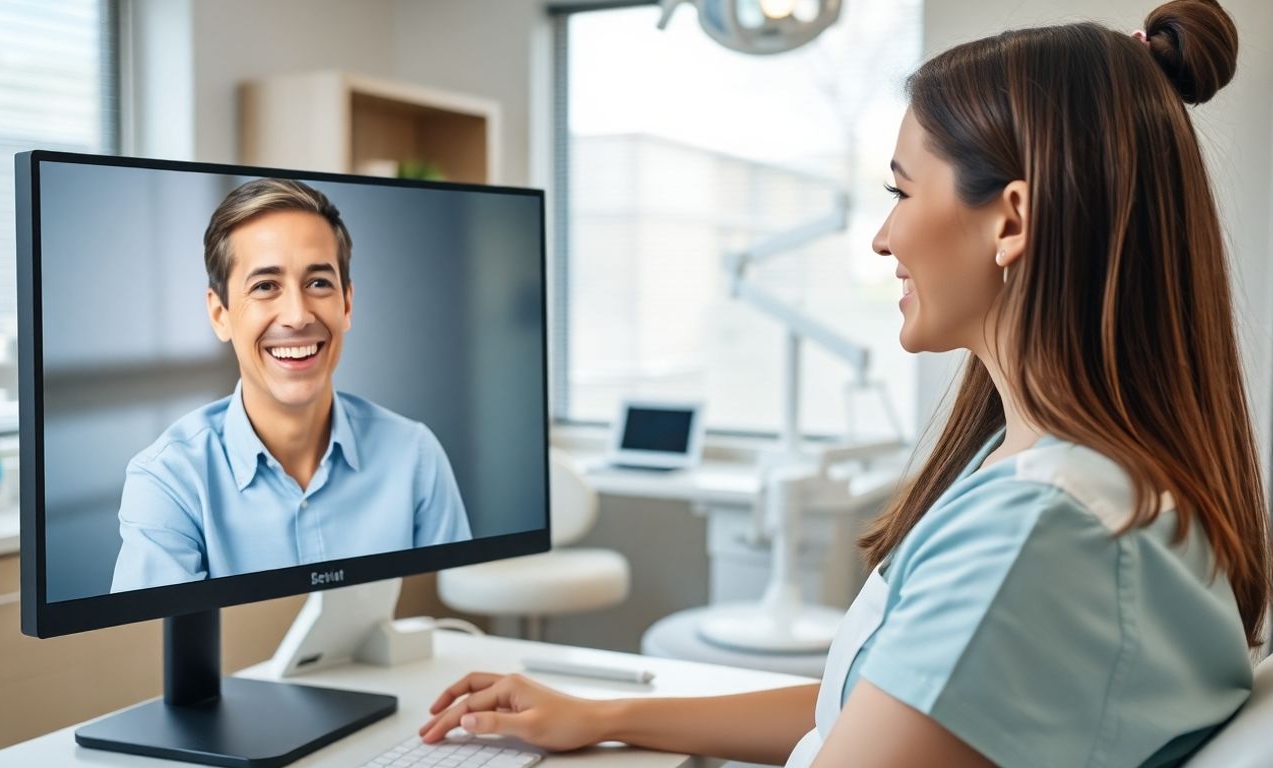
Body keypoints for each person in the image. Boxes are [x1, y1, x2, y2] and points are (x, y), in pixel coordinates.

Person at [418, 1, 1270, 765]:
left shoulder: (1039, 530)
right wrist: (605, 716)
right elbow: (880, 706)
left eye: (900, 192)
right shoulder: (1071, 478)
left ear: (1011, 219)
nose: (882, 238)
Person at [111, 178, 471, 592]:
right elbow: (153, 647)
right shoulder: (168, 481)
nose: (297, 316)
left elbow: (446, 624)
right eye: (265, 286)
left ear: (347, 304)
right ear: (220, 314)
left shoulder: (415, 456)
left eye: (318, 283)